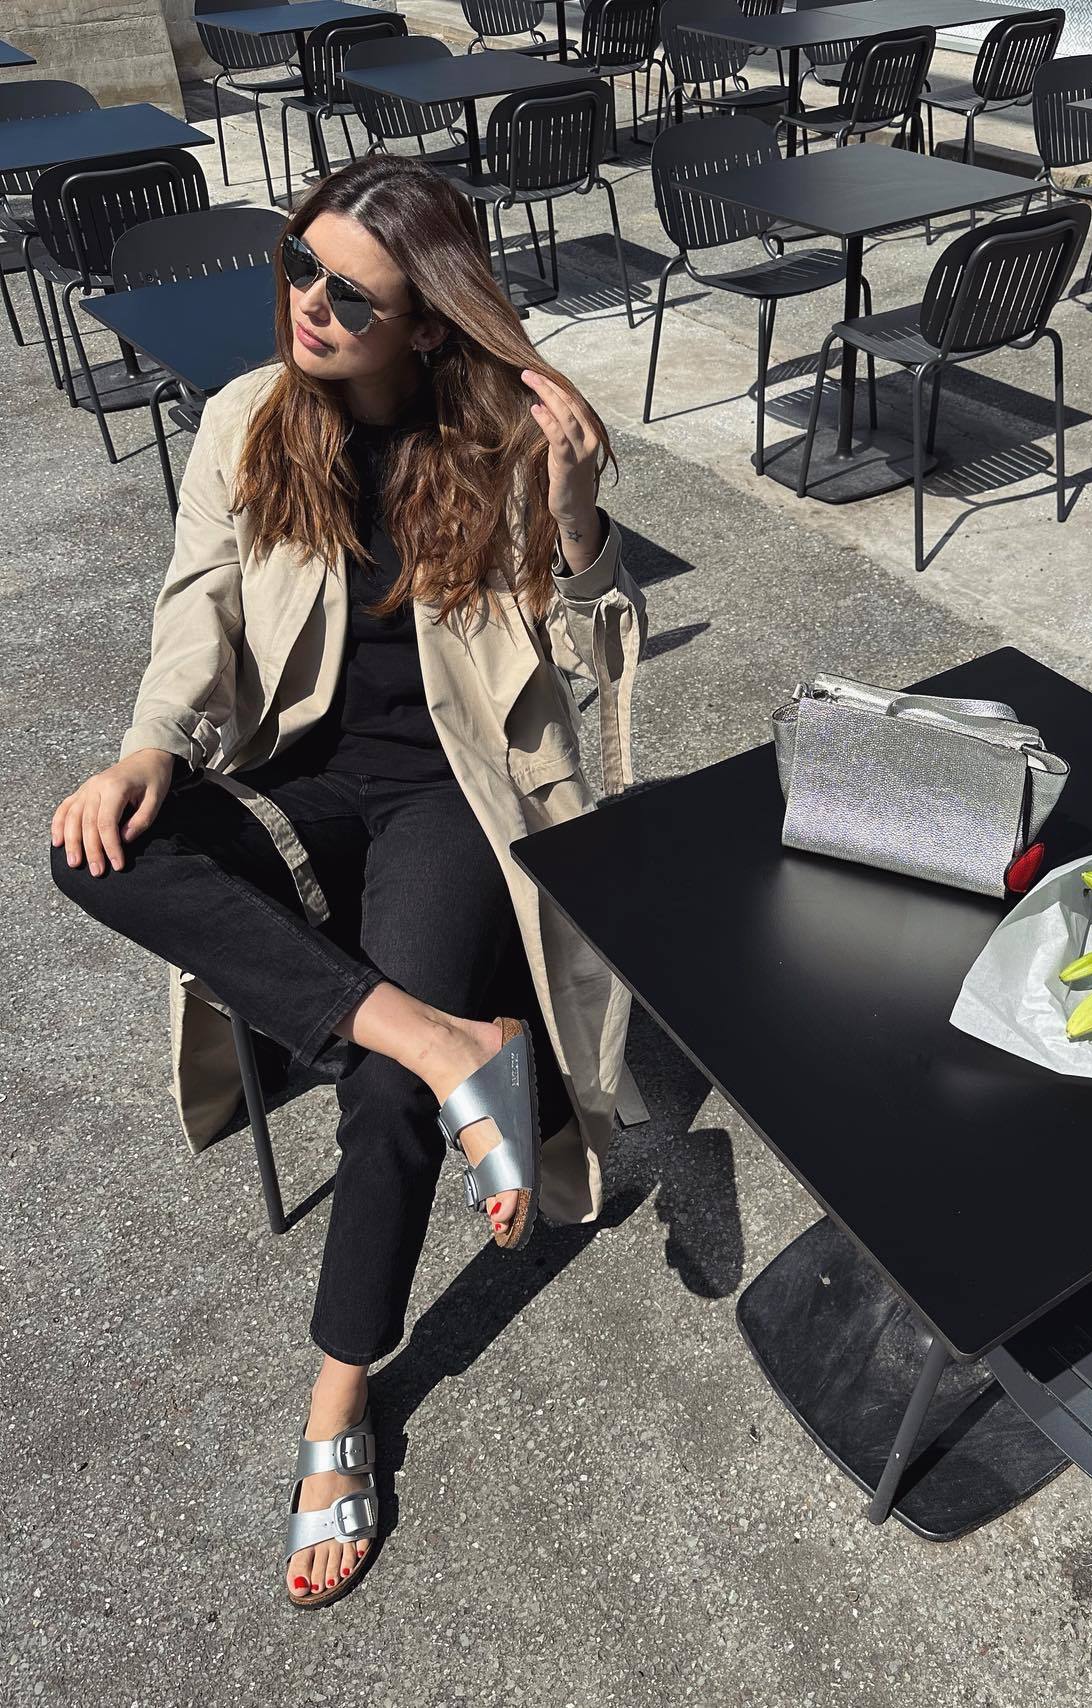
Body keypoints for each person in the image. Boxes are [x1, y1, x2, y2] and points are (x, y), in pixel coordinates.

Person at [48, 155, 644, 1610]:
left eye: (352, 297)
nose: (311, 305)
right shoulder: (248, 417)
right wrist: (148, 747)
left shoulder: (507, 437)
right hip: (299, 774)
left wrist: (574, 515)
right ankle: (447, 1044)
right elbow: (198, 604)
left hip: (449, 789)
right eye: (300, 269)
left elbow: (595, 664)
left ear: (427, 321)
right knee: (97, 849)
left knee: (379, 1097)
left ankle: (338, 1400)